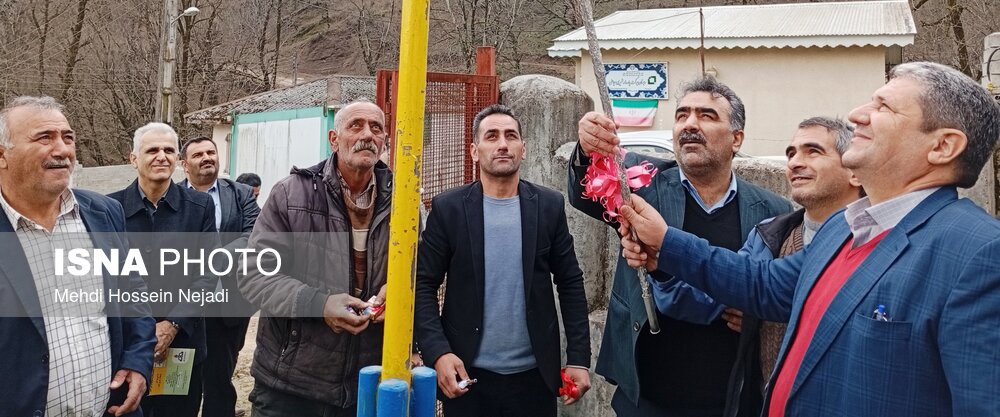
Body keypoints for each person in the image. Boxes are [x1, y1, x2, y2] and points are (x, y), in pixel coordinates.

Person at [620, 62, 1000, 417]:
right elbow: (763, 284)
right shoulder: (845, 229)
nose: (857, 115)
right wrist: (666, 241)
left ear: (942, 146)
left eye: (884, 106)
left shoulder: (979, 255)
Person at [568, 77, 791, 417]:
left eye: (706, 115)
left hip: (730, 400)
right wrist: (587, 148)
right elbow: (585, 192)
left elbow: (779, 292)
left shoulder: (773, 211)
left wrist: (759, 317)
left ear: (737, 138)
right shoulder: (641, 187)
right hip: (648, 396)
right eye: (682, 114)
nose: (689, 124)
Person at [653, 116, 863, 417]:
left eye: (813, 151)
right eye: (791, 153)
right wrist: (661, 264)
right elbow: (713, 296)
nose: (795, 163)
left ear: (854, 172)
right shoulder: (770, 235)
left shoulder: (869, 243)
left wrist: (764, 314)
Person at [415, 104, 591, 416]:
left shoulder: (548, 206)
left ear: (523, 149)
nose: (502, 144)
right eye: (491, 136)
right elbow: (423, 285)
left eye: (511, 136)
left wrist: (578, 357)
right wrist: (438, 352)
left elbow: (570, 283)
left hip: (535, 378)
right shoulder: (448, 209)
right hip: (468, 376)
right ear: (474, 150)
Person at [0, 95, 155, 416]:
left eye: (67, 137)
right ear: (3, 154)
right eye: (45, 138)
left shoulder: (104, 212)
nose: (62, 150)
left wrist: (138, 362)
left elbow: (134, 296)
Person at [239, 99, 391, 417]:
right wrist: (320, 304)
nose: (367, 135)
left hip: (368, 381)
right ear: (333, 140)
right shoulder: (291, 194)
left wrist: (399, 294)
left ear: (384, 141)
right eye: (356, 126)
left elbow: (423, 275)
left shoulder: (405, 202)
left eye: (376, 128)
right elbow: (254, 276)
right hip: (290, 383)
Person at [109, 122, 218, 417]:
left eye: (169, 150)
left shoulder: (200, 206)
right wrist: (142, 332)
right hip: (126, 347)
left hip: (183, 344)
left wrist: (173, 323)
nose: (161, 156)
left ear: (178, 159)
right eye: (152, 150)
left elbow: (208, 274)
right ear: (133, 158)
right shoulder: (109, 209)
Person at [180, 136, 261, 417]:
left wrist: (215, 256)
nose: (207, 157)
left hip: (227, 301)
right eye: (198, 154)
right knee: (182, 378)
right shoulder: (173, 196)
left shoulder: (240, 194)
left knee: (219, 377)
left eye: (211, 152)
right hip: (184, 300)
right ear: (184, 164)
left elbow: (254, 236)